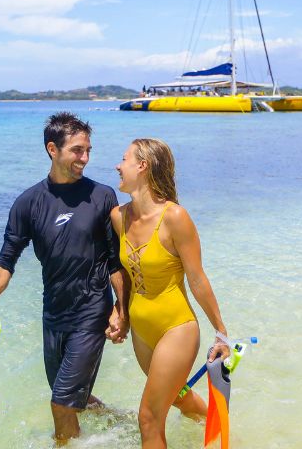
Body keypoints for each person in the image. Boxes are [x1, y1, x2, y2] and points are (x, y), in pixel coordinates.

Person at [0, 112, 129, 443]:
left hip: (91, 311)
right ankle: (121, 421)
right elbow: (5, 260)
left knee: (60, 402)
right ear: (52, 149)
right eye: (77, 150)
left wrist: (122, 311)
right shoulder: (28, 203)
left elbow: (116, 262)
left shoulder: (102, 196)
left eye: (88, 151)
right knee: (67, 398)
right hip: (53, 314)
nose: (85, 158)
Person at [111, 138, 230, 449]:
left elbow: (198, 279)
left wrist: (221, 333)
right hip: (142, 331)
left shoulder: (175, 217)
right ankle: (221, 433)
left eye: (123, 159)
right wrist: (119, 310)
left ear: (142, 166)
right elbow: (122, 271)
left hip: (176, 328)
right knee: (178, 398)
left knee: (149, 417)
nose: (117, 166)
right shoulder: (118, 217)